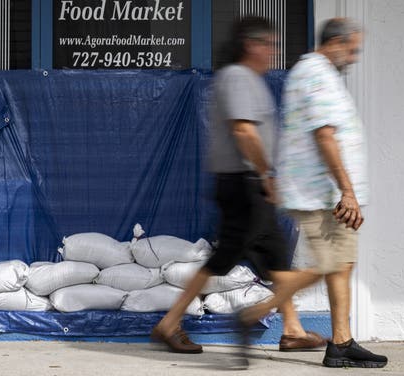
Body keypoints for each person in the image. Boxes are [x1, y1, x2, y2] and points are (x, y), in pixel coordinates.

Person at [149, 16, 324, 355]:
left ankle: (293, 330)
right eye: (269, 46)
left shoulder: (248, 79)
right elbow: (244, 131)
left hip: (251, 184)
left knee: (276, 258)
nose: (272, 53)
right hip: (244, 185)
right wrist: (266, 174)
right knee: (224, 258)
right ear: (251, 45)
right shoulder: (238, 77)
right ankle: (170, 322)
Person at [239, 18, 388, 368]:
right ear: (335, 43)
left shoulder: (316, 73)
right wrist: (347, 191)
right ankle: (252, 315)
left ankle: (341, 342)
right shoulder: (316, 73)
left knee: (341, 266)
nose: (353, 58)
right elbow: (324, 136)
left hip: (326, 191)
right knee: (332, 265)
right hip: (323, 193)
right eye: (351, 50)